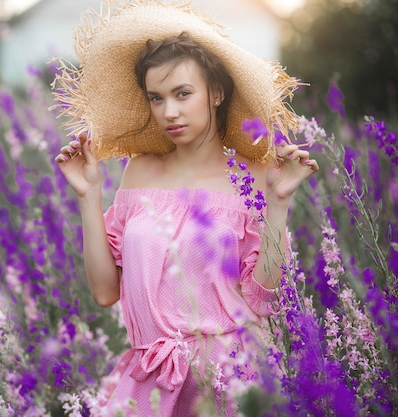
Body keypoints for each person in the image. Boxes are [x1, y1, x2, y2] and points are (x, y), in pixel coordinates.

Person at [52, 1, 319, 415]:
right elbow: (105, 291)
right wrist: (89, 196)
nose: (168, 112)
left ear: (215, 92)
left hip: (226, 385)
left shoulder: (253, 175)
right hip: (151, 384)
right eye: (156, 98)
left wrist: (279, 205)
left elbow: (264, 298)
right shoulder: (139, 172)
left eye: (182, 94)